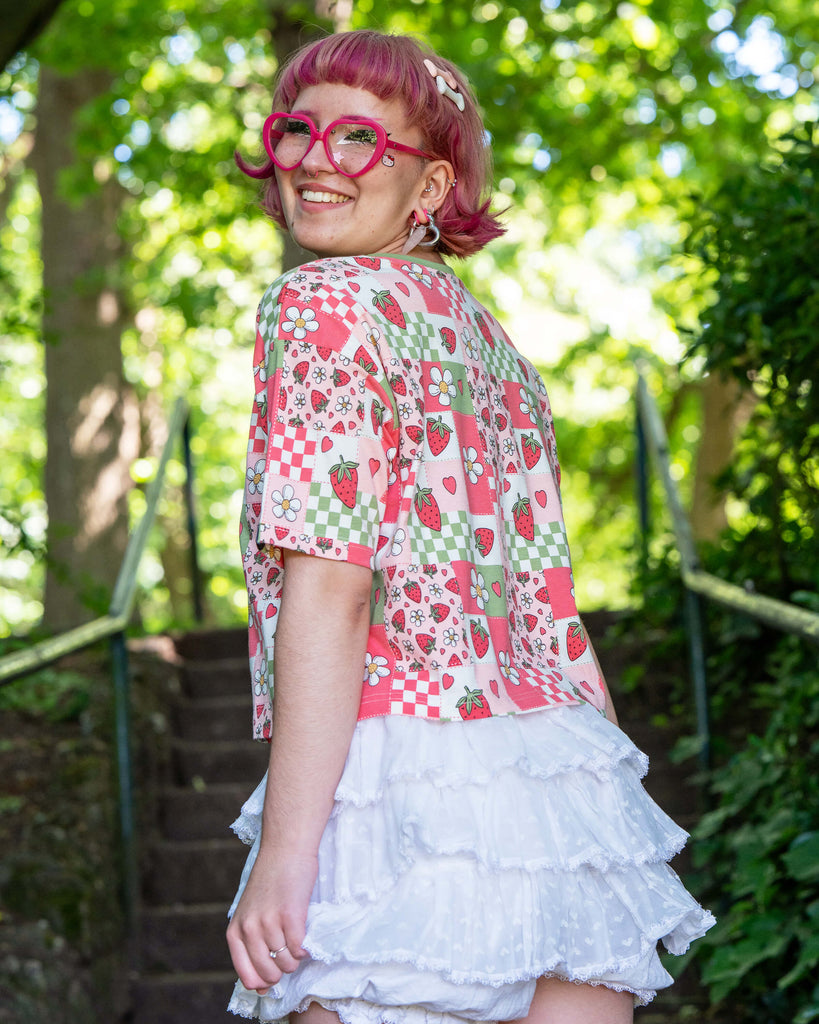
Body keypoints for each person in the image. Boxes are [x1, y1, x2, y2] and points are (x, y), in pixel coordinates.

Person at [226, 29, 714, 1024]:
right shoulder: (488, 343)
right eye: (299, 130)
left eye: (361, 138)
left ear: (430, 185)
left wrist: (286, 849)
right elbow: (546, 591)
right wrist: (602, 791)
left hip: (397, 780)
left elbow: (334, 582)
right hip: (552, 772)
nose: (317, 158)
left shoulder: (320, 305)